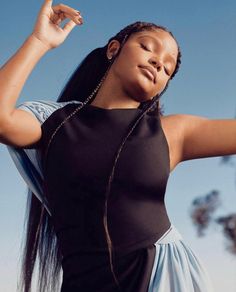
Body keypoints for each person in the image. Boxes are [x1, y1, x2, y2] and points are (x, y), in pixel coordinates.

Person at [1, 0, 235, 291]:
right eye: (148, 47)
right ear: (114, 49)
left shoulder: (172, 132)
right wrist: (39, 41)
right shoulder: (54, 121)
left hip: (160, 277)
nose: (158, 62)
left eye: (168, 67)